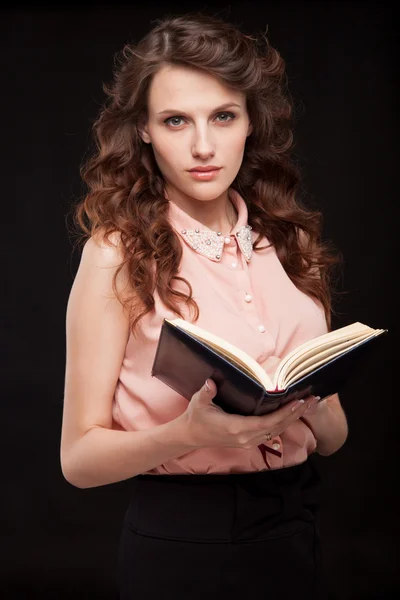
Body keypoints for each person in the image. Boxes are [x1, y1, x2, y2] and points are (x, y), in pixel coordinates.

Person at [60, 12, 348, 600]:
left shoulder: (292, 246)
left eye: (223, 116)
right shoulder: (117, 253)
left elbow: (335, 436)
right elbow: (79, 459)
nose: (202, 146)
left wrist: (308, 403)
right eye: (175, 121)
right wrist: (185, 433)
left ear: (249, 122)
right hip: (183, 542)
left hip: (295, 531)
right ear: (143, 130)